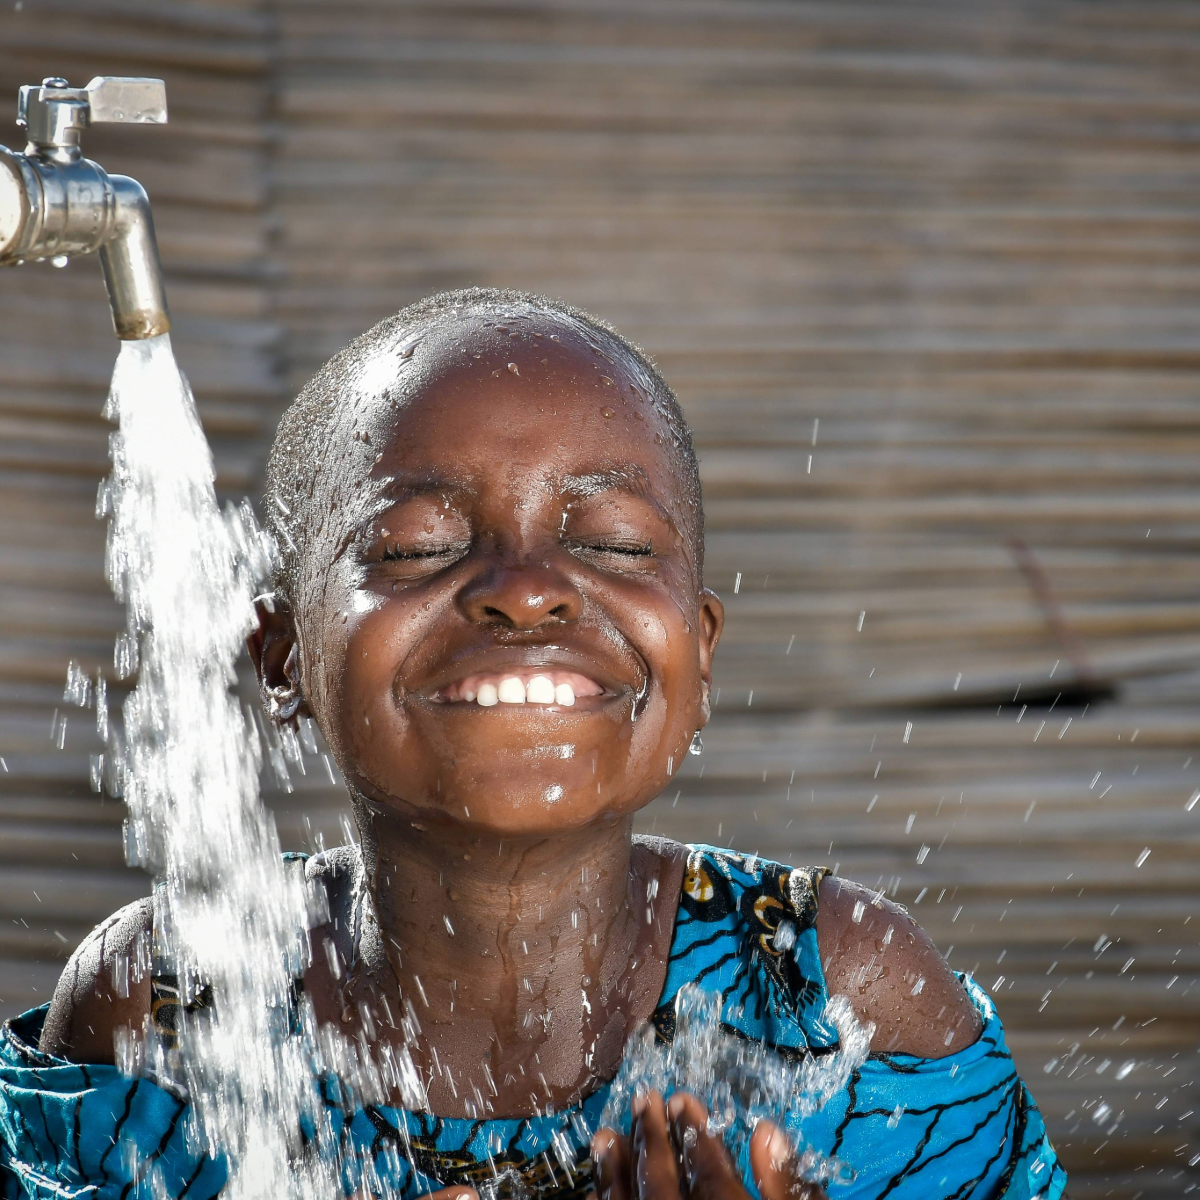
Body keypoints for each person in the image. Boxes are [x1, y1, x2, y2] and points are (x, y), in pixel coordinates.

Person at [0, 289, 1066, 1200]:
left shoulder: (833, 999)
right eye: (418, 547)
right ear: (283, 660)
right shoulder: (177, 1001)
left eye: (611, 543)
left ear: (695, 660)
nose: (525, 590)